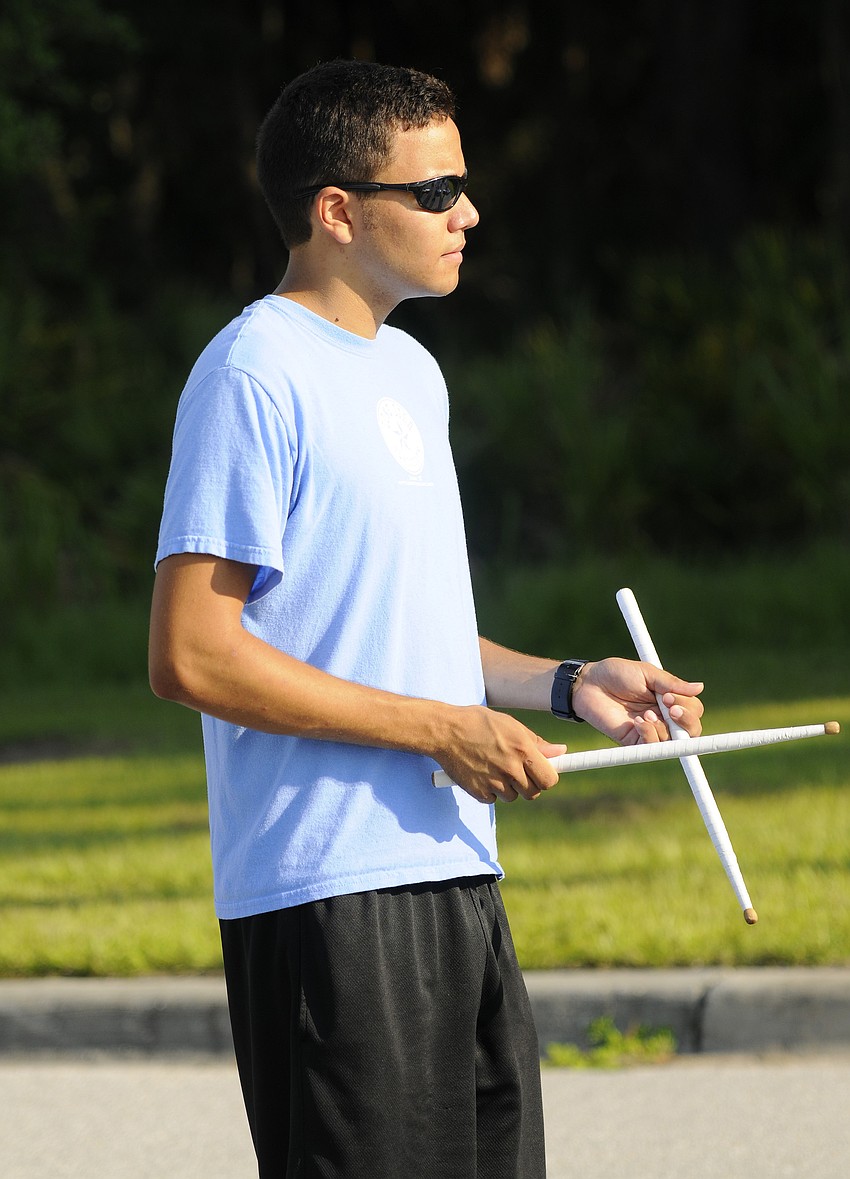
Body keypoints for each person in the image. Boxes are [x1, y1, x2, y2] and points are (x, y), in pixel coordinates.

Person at [148, 59, 703, 1179]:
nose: (470, 213)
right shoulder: (253, 373)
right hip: (329, 896)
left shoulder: (409, 372)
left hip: (455, 872)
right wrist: (443, 733)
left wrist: (564, 681)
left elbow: (398, 629)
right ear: (337, 211)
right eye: (437, 191)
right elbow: (191, 655)